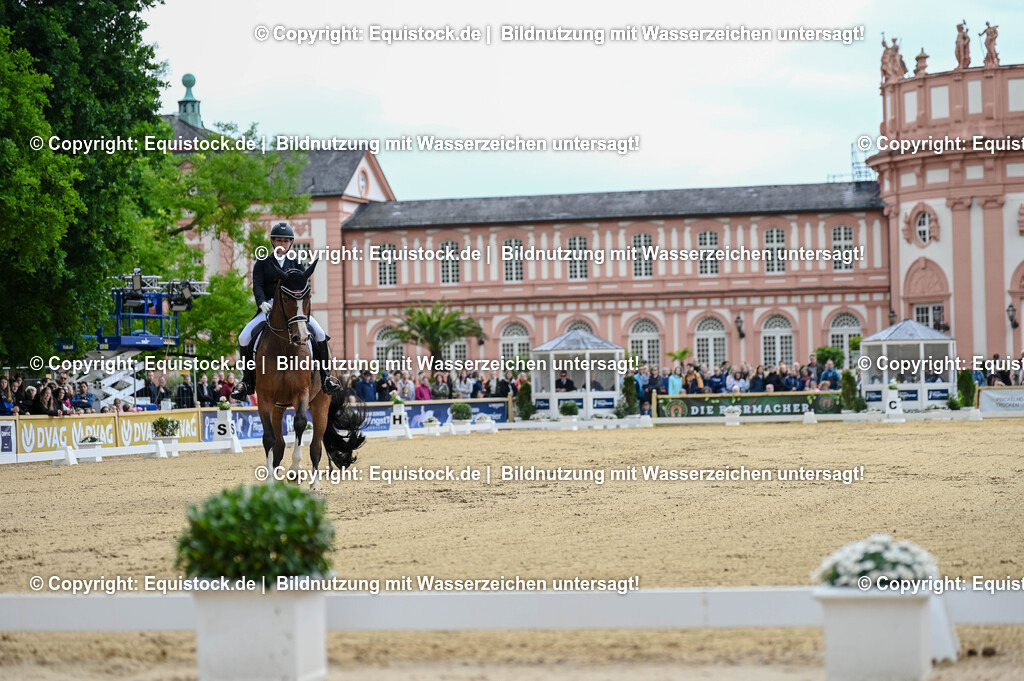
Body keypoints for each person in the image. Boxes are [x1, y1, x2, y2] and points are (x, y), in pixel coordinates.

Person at [232, 221, 341, 400]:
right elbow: (258, 284)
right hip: (270, 307)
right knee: (244, 337)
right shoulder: (263, 262)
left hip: (294, 309)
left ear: (290, 243)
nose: (282, 244)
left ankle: (326, 377)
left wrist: (302, 306)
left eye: (285, 241)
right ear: (273, 242)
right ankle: (247, 382)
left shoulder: (296, 262)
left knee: (320, 334)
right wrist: (261, 302)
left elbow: (303, 285)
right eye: (278, 240)